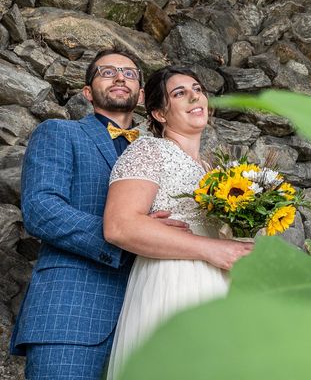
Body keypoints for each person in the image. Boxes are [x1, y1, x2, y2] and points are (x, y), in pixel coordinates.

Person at [10, 50, 190, 379]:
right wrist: (129, 233)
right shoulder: (58, 134)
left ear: (141, 96)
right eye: (107, 72)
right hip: (73, 315)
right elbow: (41, 210)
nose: (120, 77)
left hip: (150, 315)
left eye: (130, 73)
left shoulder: (165, 152)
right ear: (88, 92)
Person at [103, 66, 253, 379]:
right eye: (179, 93)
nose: (194, 95)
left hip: (221, 287)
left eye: (197, 89)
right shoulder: (149, 150)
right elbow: (119, 226)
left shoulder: (217, 170)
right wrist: (210, 249)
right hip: (174, 281)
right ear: (159, 113)